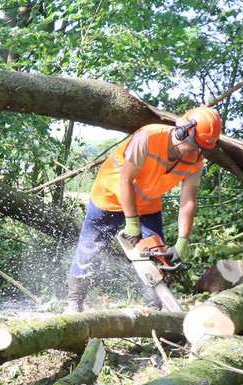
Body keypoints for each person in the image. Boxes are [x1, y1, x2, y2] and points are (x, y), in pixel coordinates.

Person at [65, 106, 222, 313]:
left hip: (147, 201)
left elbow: (188, 202)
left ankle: (154, 307)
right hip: (111, 194)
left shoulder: (196, 160)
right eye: (194, 146)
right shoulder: (148, 137)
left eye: (202, 148)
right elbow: (125, 181)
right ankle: (74, 303)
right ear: (182, 131)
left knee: (157, 253)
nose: (197, 152)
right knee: (90, 249)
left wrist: (183, 241)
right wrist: (132, 222)